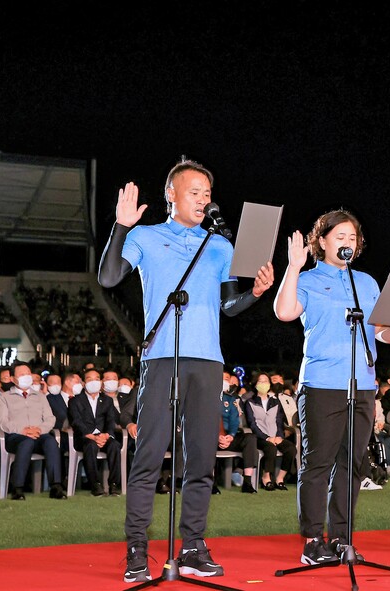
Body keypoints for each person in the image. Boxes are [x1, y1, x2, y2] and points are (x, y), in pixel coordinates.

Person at [97, 158, 274, 582]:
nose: (203, 199)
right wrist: (120, 226)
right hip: (161, 358)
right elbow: (108, 277)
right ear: (171, 195)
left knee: (202, 460)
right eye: (194, 192)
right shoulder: (145, 236)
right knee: (149, 455)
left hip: (208, 361)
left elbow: (229, 306)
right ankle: (137, 549)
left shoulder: (221, 246)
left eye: (207, 194)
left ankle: (193, 545)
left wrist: (256, 292)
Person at [273, 208, 390, 564]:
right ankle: (311, 541)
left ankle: (340, 537)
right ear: (322, 241)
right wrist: (292, 266)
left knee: (351, 464)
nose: (347, 243)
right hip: (322, 384)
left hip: (363, 385)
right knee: (318, 463)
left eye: (352, 238)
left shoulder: (365, 283)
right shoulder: (306, 278)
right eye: (340, 237)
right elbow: (285, 311)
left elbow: (379, 331)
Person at [0, 360, 66, 500]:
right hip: (16, 436)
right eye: (21, 374)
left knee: (51, 442)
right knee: (26, 443)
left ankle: (56, 486)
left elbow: (50, 419)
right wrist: (22, 430)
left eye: (28, 373)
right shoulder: (5, 397)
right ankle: (18, 488)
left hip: (39, 434)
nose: (26, 376)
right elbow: (0, 421)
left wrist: (39, 429)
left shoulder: (40, 396)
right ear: (14, 379)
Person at [69, 367, 122, 497]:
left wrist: (107, 434)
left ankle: (114, 484)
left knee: (115, 445)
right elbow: (76, 421)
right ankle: (95, 484)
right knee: (91, 446)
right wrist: (90, 435)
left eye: (97, 379)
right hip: (84, 436)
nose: (94, 382)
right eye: (90, 379)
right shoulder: (75, 400)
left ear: (101, 382)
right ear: (83, 383)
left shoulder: (107, 400)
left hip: (103, 435)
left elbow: (110, 420)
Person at [242, 372, 297, 491]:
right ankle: (266, 477)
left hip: (275, 435)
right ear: (255, 384)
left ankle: (280, 478)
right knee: (270, 448)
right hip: (261, 437)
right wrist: (267, 438)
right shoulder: (250, 402)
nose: (263, 384)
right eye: (260, 381)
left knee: (291, 448)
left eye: (266, 381)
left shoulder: (275, 402)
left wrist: (279, 436)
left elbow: (279, 421)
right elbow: (252, 424)